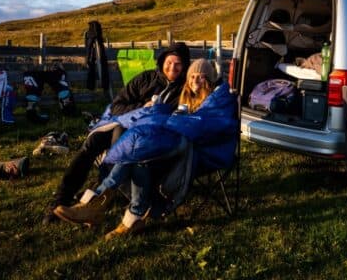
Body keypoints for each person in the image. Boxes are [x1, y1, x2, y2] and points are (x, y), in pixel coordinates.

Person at [53, 59, 237, 240]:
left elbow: (203, 126)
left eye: (201, 76)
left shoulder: (219, 98)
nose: (195, 80)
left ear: (211, 79)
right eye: (192, 76)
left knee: (140, 150)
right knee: (139, 158)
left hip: (202, 150)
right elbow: (176, 120)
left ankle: (99, 201)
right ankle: (131, 217)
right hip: (179, 144)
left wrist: (171, 122)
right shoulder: (185, 98)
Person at [42, 42, 190, 224]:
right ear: (162, 61)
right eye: (169, 62)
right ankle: (61, 199)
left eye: (178, 64)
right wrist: (141, 107)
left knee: (119, 143)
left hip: (144, 133)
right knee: (91, 143)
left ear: (184, 67)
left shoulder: (183, 90)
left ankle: (98, 197)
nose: (172, 68)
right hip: (122, 121)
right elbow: (118, 106)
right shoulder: (145, 79)